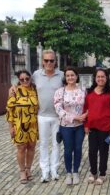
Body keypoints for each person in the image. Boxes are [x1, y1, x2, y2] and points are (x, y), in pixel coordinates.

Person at [9, 49, 63, 183]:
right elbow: (24, 82)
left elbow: (72, 86)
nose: (49, 63)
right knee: (43, 144)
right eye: (46, 60)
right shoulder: (36, 75)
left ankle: (54, 169)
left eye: (51, 60)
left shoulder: (62, 75)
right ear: (42, 62)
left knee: (56, 144)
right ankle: (45, 170)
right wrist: (13, 86)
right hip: (42, 116)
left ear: (55, 61)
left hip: (58, 116)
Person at [83, 69, 110, 185]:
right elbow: (85, 110)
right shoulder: (90, 92)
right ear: (95, 78)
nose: (100, 79)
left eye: (103, 76)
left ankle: (102, 174)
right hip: (92, 128)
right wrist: (86, 125)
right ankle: (93, 173)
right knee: (92, 152)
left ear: (106, 78)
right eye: (98, 76)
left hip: (105, 128)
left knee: (104, 152)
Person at [54, 67, 87, 185]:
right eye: (68, 75)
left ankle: (76, 171)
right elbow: (58, 109)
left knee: (78, 149)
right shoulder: (60, 92)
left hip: (80, 127)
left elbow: (88, 105)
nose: (70, 77)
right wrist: (74, 117)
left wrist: (85, 115)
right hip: (66, 126)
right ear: (65, 78)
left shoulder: (83, 90)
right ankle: (68, 172)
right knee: (68, 150)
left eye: (72, 75)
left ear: (76, 76)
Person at [6, 70, 38, 184]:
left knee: (31, 147)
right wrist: (11, 127)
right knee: (21, 148)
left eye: (27, 79)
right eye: (22, 79)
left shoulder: (34, 90)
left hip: (33, 124)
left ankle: (29, 169)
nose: (25, 81)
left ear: (30, 78)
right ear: (19, 80)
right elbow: (10, 110)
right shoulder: (15, 91)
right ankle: (22, 171)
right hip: (19, 124)